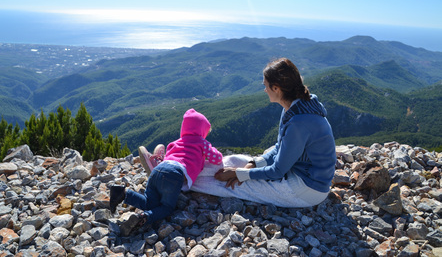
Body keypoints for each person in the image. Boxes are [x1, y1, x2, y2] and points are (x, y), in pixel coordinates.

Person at [190, 58, 337, 208]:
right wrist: (252, 165)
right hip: (296, 172)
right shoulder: (295, 107)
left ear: (276, 88)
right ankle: (184, 166)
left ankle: (182, 179)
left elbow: (278, 170)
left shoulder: (299, 122)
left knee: (232, 186)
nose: (264, 89)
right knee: (235, 161)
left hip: (307, 188)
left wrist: (239, 174)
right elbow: (280, 147)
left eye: (266, 85)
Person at [109, 108, 223, 226]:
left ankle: (122, 193)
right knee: (167, 208)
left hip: (158, 170)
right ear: (202, 130)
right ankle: (144, 217)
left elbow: (168, 156)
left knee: (150, 204)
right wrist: (209, 150)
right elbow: (217, 158)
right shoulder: (201, 142)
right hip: (174, 174)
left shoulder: (176, 142)